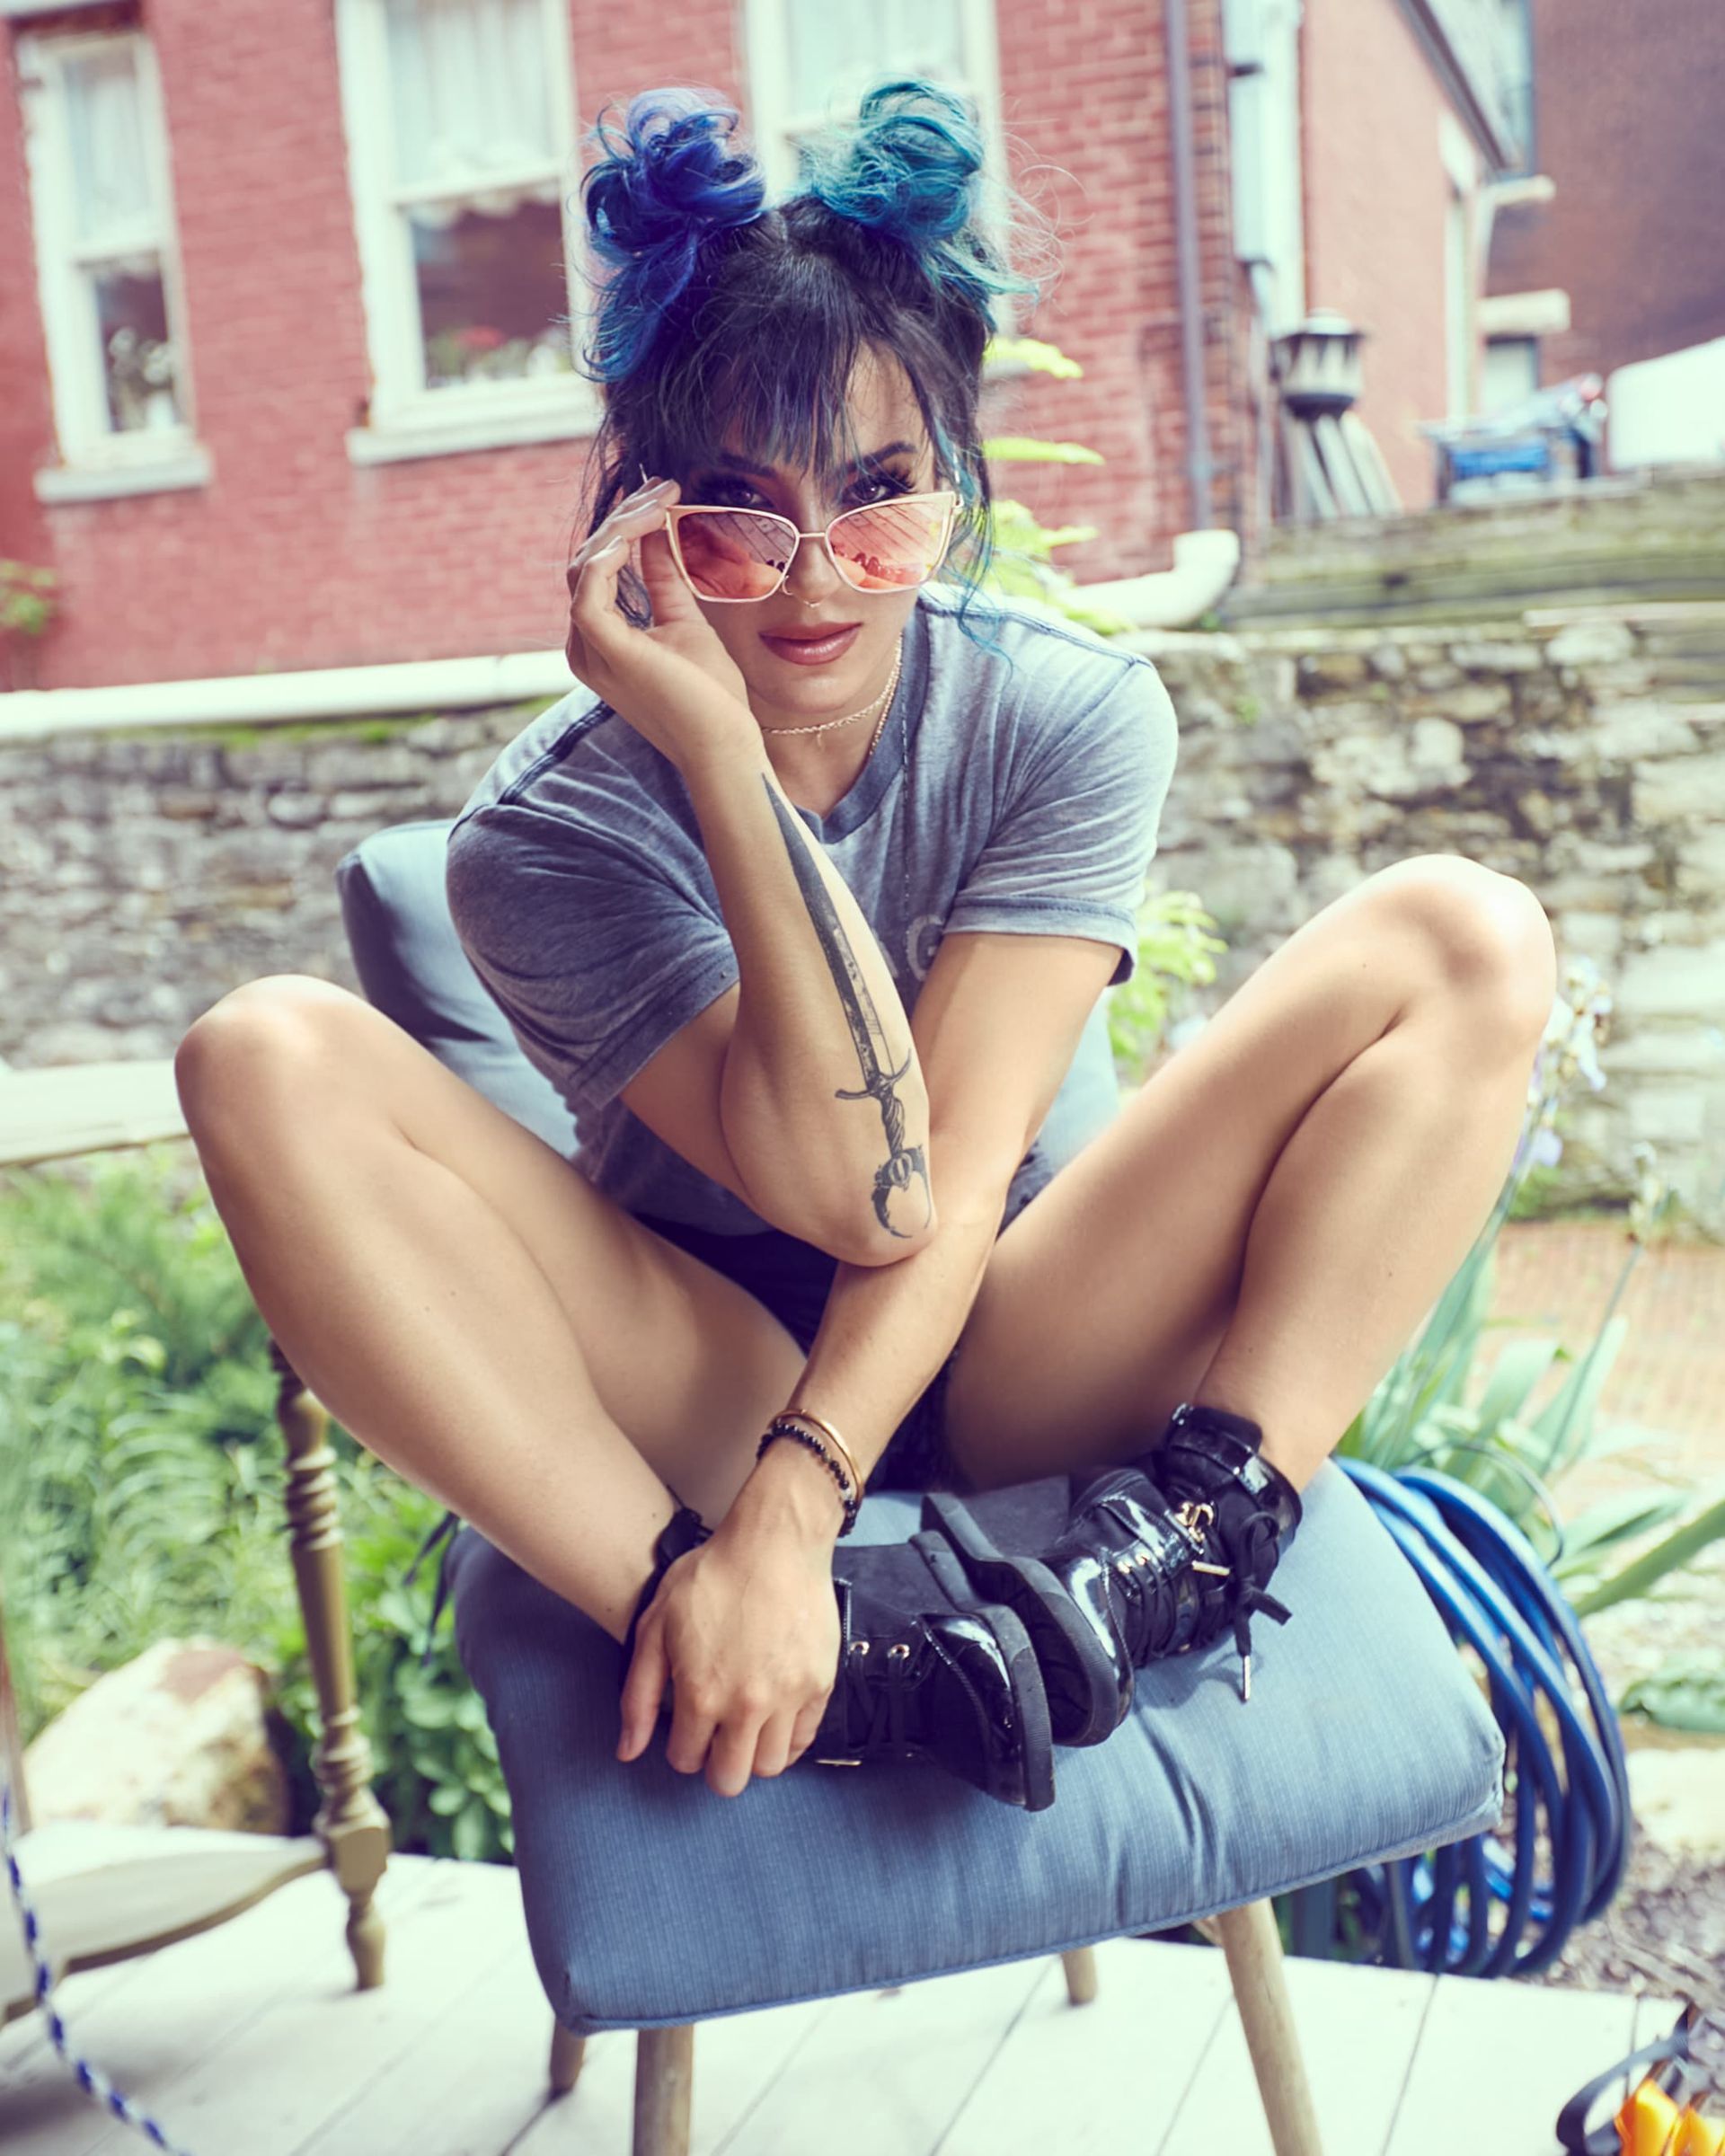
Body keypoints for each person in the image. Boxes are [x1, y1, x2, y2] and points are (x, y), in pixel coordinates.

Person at [173, 78, 1558, 1817]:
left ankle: (1188, 1547)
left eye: (881, 497)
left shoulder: (1062, 713)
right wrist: (721, 756)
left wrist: (807, 1497)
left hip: (1018, 1324)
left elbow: (935, 1192)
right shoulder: (547, 839)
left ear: (953, 488)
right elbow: (846, 1193)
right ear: (643, 519)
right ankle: (749, 1638)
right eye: (738, 511)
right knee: (258, 1050)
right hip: (709, 1362)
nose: (817, 577)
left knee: (1464, 934)